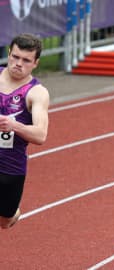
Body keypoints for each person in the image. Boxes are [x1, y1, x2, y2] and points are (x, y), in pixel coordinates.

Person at [0, 33, 49, 229]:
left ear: (35, 63)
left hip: (10, 166)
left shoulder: (36, 93)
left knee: (5, 221)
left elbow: (41, 135)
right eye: (15, 57)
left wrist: (14, 126)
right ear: (9, 53)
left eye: (26, 60)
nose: (18, 63)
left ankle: (13, 213)